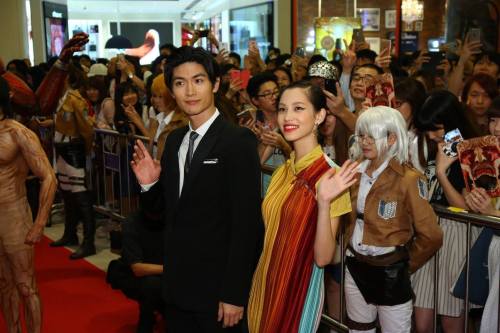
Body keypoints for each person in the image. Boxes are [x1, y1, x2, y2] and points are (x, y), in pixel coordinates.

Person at [130, 46, 263, 332]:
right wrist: (149, 184)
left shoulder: (237, 141)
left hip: (217, 293)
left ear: (215, 84)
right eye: (180, 83)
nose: (190, 91)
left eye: (198, 80)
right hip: (177, 288)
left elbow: (247, 225)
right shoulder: (175, 140)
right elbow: (161, 215)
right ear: (171, 91)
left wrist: (234, 293)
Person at [247, 81, 356, 332]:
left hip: (298, 292)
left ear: (319, 115)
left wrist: (325, 202)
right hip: (265, 285)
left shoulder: (332, 176)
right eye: (283, 109)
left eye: (298, 108)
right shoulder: (282, 171)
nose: (288, 117)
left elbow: (323, 257)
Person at [344, 106, 442, 332]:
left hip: (390, 272)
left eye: (372, 136)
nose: (365, 141)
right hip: (355, 265)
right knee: (358, 329)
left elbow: (432, 235)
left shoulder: (408, 178)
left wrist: (405, 264)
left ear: (391, 139)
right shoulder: (354, 172)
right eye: (362, 135)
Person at [412, 90, 479, 333]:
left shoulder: (473, 152)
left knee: (452, 320)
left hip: (457, 235)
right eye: (428, 130)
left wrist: (442, 173)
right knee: (422, 321)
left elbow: (464, 206)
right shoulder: (437, 147)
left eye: (437, 128)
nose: (431, 135)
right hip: (430, 232)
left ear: (452, 122)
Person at [0, 76, 57, 333]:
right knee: (4, 285)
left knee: (26, 286)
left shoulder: (18, 133)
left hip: (14, 213)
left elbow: (48, 177)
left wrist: (40, 223)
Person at [49, 64, 97, 260]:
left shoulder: (76, 99)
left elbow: (87, 127)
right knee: (67, 194)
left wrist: (85, 149)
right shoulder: (61, 98)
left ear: (68, 78)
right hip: (61, 149)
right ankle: (70, 234)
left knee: (81, 197)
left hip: (73, 149)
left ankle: (89, 242)